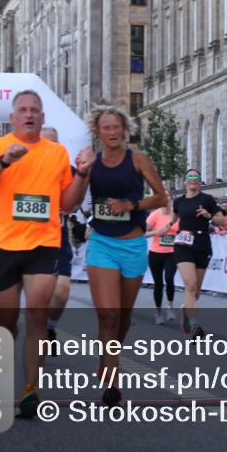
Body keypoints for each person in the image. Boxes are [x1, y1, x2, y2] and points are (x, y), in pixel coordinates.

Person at [0, 90, 90, 418]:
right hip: (4, 245)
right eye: (22, 110)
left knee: (37, 315)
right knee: (6, 322)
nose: (29, 114)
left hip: (43, 245)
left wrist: (82, 174)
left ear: (42, 117)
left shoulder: (56, 152)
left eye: (34, 110)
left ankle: (30, 390)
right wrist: (4, 161)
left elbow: (68, 204)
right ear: (13, 118)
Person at [80, 106, 168, 406]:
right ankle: (112, 380)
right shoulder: (93, 162)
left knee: (124, 317)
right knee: (109, 315)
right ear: (97, 132)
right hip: (102, 243)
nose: (113, 132)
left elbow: (161, 197)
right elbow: (76, 199)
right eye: (106, 127)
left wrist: (132, 205)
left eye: (117, 126)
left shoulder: (138, 159)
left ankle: (108, 357)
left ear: (125, 129)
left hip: (132, 245)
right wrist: (82, 171)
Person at [168, 168, 222, 337]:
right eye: (190, 177)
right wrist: (164, 228)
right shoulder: (179, 201)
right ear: (185, 182)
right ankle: (194, 326)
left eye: (196, 177)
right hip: (183, 244)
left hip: (202, 244)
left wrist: (209, 215)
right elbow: (174, 219)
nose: (193, 179)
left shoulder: (207, 199)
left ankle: (186, 310)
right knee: (190, 285)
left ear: (199, 182)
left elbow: (221, 220)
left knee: (196, 291)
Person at [41, 127, 79, 354]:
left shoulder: (68, 170)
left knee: (62, 292)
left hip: (58, 240)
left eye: (54, 143)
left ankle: (50, 327)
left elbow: (76, 202)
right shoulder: (24, 168)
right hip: (28, 241)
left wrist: (68, 206)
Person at [144, 203, 180, 324]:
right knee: (158, 284)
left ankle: (170, 307)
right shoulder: (154, 215)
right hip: (156, 253)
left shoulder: (177, 215)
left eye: (168, 197)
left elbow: (183, 230)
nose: (166, 200)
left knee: (169, 278)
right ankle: (158, 312)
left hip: (172, 253)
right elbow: (143, 233)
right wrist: (156, 232)